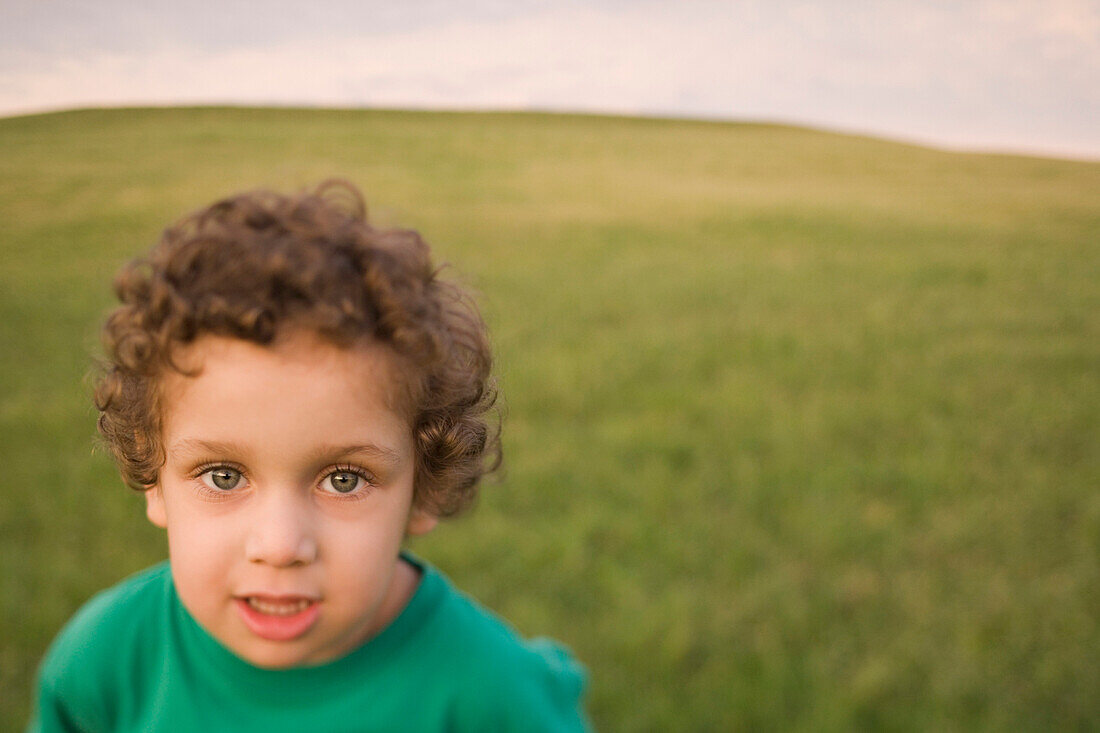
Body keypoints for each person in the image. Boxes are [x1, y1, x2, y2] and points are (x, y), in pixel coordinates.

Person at [27, 181, 591, 732]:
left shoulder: (488, 694)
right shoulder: (106, 660)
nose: (279, 546)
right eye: (224, 476)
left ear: (424, 490)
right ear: (155, 479)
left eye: (344, 480)